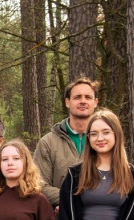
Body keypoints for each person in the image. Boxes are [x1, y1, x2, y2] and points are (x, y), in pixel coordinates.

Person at [34, 77, 99, 207]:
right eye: (77, 97)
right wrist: (73, 200)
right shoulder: (48, 142)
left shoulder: (104, 141)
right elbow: (39, 184)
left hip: (98, 218)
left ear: (95, 102)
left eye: (88, 97)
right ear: (67, 102)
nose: (83, 101)